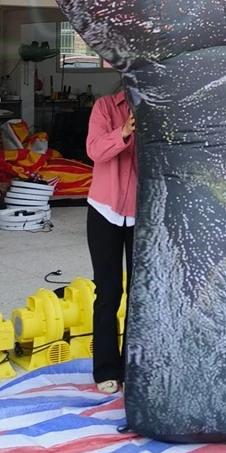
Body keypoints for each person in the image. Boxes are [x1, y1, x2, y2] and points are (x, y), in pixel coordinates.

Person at [85, 85, 137, 394]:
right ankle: (106, 369)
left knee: (138, 292)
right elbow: (94, 150)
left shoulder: (156, 106)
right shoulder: (105, 106)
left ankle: (134, 366)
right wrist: (125, 131)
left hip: (141, 214)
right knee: (108, 290)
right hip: (104, 210)